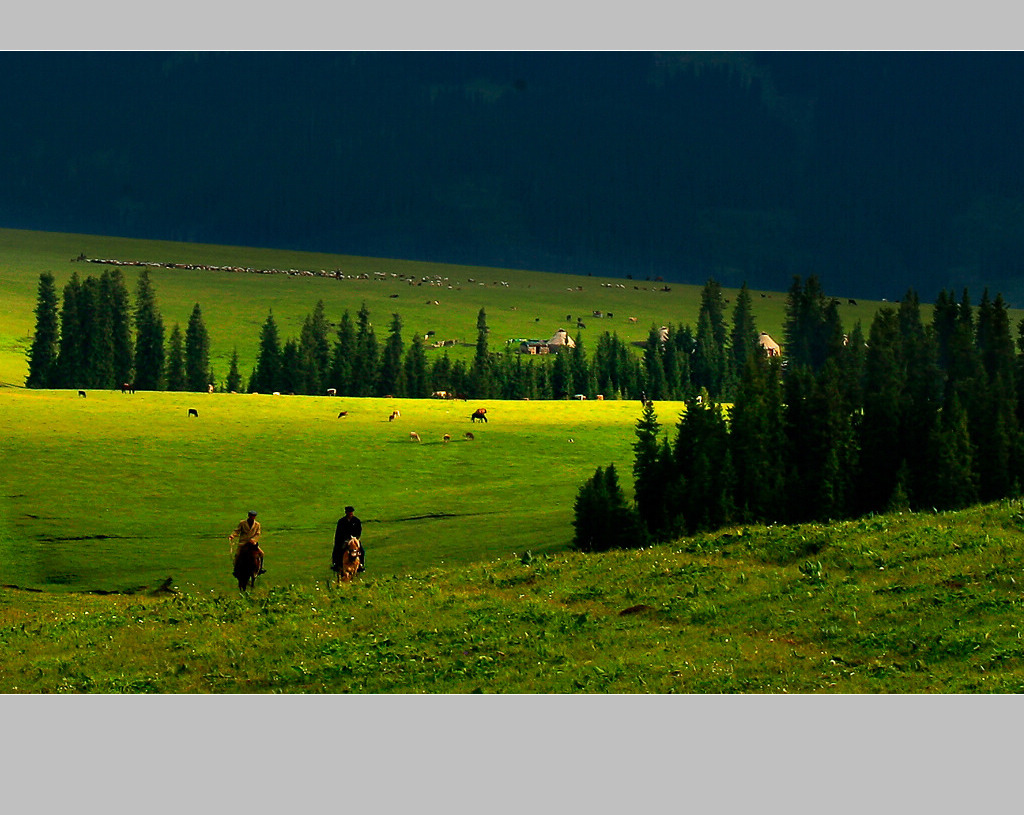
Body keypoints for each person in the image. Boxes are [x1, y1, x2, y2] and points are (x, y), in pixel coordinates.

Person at [229, 510, 266, 575]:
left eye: (254, 516)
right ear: (249, 516)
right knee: (237, 555)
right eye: (251, 516)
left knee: (261, 553)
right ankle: (236, 569)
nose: (252, 517)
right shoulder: (242, 523)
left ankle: (260, 568)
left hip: (252, 544)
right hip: (243, 543)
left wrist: (253, 540)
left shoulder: (257, 524)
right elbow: (237, 531)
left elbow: (258, 534)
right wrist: (232, 535)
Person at [333, 505, 364, 573]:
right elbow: (339, 532)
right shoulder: (341, 521)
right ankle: (336, 564)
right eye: (349, 512)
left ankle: (361, 564)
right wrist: (345, 539)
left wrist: (356, 537)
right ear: (346, 512)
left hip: (354, 539)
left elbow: (359, 530)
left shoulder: (356, 521)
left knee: (362, 550)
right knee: (338, 550)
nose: (350, 513)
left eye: (351, 512)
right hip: (345, 539)